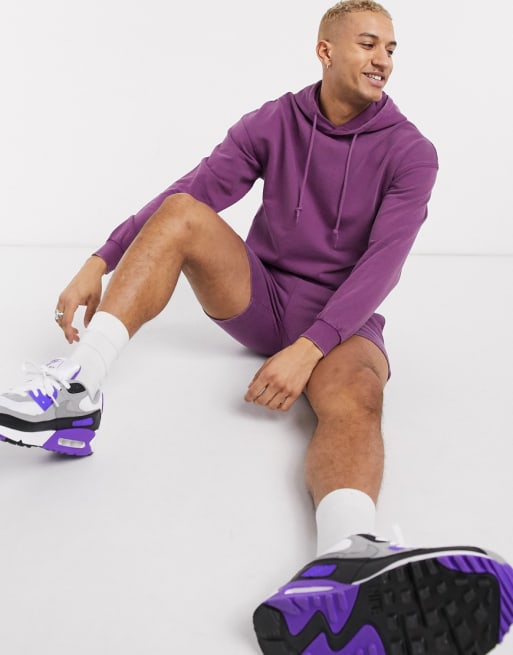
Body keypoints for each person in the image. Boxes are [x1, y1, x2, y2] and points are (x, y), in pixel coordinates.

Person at [1, 1, 512, 653]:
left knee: (358, 394)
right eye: (367, 43)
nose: (383, 59)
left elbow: (382, 265)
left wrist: (310, 347)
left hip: (343, 317)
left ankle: (346, 553)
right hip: (262, 297)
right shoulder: (275, 120)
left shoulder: (412, 152)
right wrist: (101, 258)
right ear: (325, 51)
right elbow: (193, 190)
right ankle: (77, 388)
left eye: (390, 48)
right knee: (184, 210)